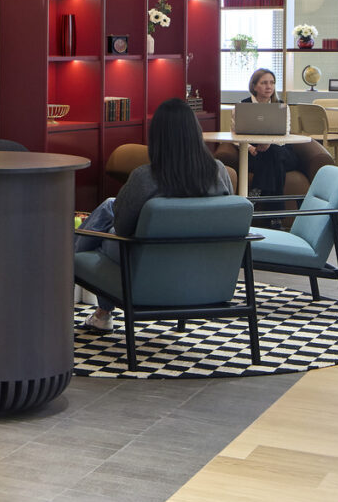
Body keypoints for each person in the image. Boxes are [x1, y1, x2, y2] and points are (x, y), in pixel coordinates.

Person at [76, 99, 233, 333]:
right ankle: (99, 310)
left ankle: (74, 272)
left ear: (158, 137)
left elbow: (123, 227)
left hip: (146, 261)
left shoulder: (145, 177)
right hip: (203, 263)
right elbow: (225, 218)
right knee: (110, 206)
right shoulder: (218, 171)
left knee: (105, 221)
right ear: (195, 132)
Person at [231, 66, 334, 199]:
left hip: (282, 151)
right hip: (254, 154)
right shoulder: (242, 106)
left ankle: (256, 191)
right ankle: (275, 215)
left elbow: (285, 134)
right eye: (264, 83)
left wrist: (269, 144)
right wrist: (250, 148)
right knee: (274, 162)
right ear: (254, 86)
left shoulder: (281, 106)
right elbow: (234, 134)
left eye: (272, 82)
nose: (269, 86)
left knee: (273, 152)